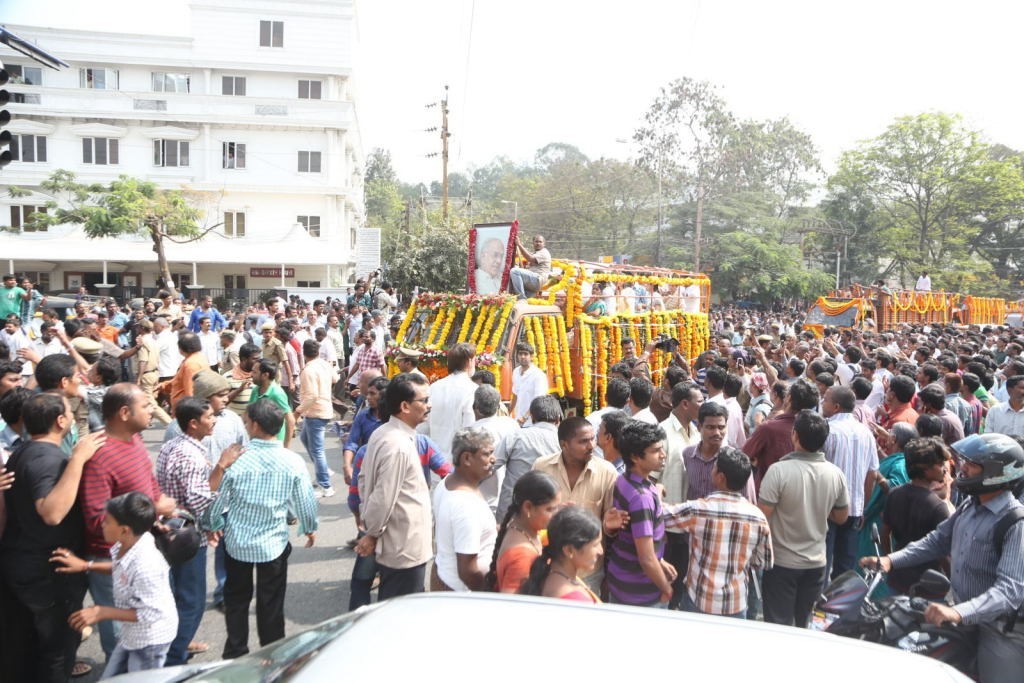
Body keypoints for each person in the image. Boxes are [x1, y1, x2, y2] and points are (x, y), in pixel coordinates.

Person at [862, 433, 1024, 682]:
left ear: (996, 472)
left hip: (999, 629)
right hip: (963, 616)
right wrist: (891, 560)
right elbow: (937, 541)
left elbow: (1009, 590)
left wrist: (958, 613)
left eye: (972, 465)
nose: (962, 469)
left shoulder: (1015, 522)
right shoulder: (970, 506)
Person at [202, 399, 318, 659]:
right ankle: (272, 655)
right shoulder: (292, 461)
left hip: (237, 544)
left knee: (236, 601)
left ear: (254, 425)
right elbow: (304, 502)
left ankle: (235, 653)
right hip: (273, 545)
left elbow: (217, 501)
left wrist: (211, 525)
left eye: (246, 421)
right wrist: (309, 528)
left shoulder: (235, 459)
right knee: (271, 603)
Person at [0, 393, 104, 682]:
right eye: (69, 411)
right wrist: (78, 459)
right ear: (60, 421)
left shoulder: (24, 451)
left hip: (24, 565)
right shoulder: (46, 459)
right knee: (57, 651)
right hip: (47, 572)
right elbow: (52, 512)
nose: (72, 415)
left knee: (28, 647)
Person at [79, 384, 176, 661]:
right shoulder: (99, 455)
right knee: (124, 645)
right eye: (146, 405)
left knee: (150, 626)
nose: (152, 410)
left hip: (144, 549)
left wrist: (156, 517)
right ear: (124, 412)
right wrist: (153, 509)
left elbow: (148, 485)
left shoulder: (134, 439)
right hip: (113, 563)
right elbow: (97, 520)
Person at [55, 493, 178, 678]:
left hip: (149, 641)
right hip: (131, 635)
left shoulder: (147, 565)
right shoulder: (127, 545)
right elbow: (121, 568)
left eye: (108, 521)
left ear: (124, 530)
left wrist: (103, 612)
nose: (102, 524)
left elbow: (151, 612)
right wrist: (85, 565)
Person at [758, 410, 850, 628]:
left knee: (778, 627)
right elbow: (841, 516)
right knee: (804, 626)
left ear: (795, 435)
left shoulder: (778, 471)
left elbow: (762, 518)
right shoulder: (835, 473)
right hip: (816, 563)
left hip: (781, 563)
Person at [663, 448, 773, 618]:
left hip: (698, 599)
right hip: (735, 603)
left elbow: (662, 515)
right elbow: (764, 561)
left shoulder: (698, 509)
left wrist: (654, 491)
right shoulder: (758, 518)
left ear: (720, 477)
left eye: (714, 467)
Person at [355, 373, 434, 598]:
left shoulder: (384, 432)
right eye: (424, 401)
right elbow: (383, 495)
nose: (428, 406)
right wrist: (371, 532)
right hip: (403, 546)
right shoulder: (397, 444)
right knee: (402, 613)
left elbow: (364, 482)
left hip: (399, 542)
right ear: (405, 406)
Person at [606, 421, 676, 607]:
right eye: (656, 451)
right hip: (639, 591)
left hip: (621, 578)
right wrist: (666, 588)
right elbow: (646, 558)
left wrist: (659, 560)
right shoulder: (641, 498)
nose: (663, 455)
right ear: (636, 457)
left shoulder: (625, 480)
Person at [879, 437, 951, 596]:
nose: (944, 469)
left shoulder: (894, 494)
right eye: (940, 464)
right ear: (926, 470)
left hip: (897, 580)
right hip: (928, 587)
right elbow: (943, 554)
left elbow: (885, 533)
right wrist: (953, 583)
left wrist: (890, 560)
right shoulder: (938, 507)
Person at [821, 386, 879, 581]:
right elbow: (872, 473)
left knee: (823, 563)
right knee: (844, 569)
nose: (822, 402)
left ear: (836, 406)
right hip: (854, 509)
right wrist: (863, 505)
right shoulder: (866, 432)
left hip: (828, 510)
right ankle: (839, 608)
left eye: (825, 399)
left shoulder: (828, 430)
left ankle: (819, 608)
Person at [431, 427, 497, 591]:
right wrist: (489, 595)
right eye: (487, 454)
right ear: (467, 458)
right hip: (460, 593)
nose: (493, 459)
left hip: (445, 578)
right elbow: (468, 570)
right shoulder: (465, 505)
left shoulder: (447, 483)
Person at [487, 471, 560, 593]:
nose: (556, 514)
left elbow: (544, 542)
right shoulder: (523, 557)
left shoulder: (528, 530)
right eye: (550, 509)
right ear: (528, 507)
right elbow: (512, 606)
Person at [856, 421, 915, 574]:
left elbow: (895, 489)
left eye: (890, 433)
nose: (887, 435)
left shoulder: (901, 464)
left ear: (894, 439)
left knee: (874, 566)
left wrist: (878, 476)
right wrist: (876, 449)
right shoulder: (897, 459)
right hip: (873, 520)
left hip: (879, 521)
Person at [495, 395, 561, 519]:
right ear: (558, 419)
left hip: (512, 511)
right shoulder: (564, 442)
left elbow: (490, 465)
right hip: (549, 513)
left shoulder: (515, 436)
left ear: (532, 417)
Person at [518, 506, 603, 603]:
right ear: (569, 550)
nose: (601, 551)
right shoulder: (575, 600)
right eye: (595, 545)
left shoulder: (547, 576)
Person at [296, 339, 335, 498]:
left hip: (316, 412)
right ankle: (324, 471)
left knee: (317, 451)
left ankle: (326, 486)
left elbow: (312, 396)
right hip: (318, 410)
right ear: (318, 352)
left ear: (303, 354)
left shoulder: (308, 370)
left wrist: (297, 411)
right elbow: (335, 379)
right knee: (305, 439)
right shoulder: (324, 364)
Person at [423, 342, 477, 454]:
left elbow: (423, 425)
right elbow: (471, 430)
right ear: (470, 361)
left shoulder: (434, 387)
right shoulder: (472, 389)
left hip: (434, 458)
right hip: (458, 461)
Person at [249, 359, 295, 447]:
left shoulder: (277, 393)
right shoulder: (255, 390)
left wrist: (286, 447)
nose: (251, 375)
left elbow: (290, 420)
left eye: (254, 372)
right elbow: (247, 414)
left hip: (273, 444)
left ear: (265, 375)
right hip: (257, 441)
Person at [509, 342, 548, 424]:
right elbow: (515, 394)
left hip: (532, 422)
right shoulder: (516, 372)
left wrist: (525, 417)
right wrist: (508, 412)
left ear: (531, 357)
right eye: (520, 354)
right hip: (518, 420)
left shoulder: (538, 375)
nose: (522, 357)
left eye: (525, 354)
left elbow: (538, 401)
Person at [508, 234, 552, 300]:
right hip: (533, 285)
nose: (538, 243)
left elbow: (530, 258)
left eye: (540, 242)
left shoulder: (544, 252)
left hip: (537, 280)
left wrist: (519, 244)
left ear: (544, 244)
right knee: (512, 296)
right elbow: (528, 256)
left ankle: (521, 298)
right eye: (536, 241)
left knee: (514, 271)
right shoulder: (536, 253)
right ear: (533, 243)